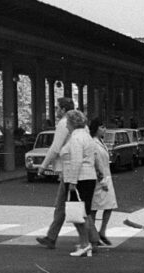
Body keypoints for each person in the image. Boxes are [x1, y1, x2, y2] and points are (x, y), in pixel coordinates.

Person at [36, 97, 75, 249]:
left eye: (58, 108)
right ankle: (51, 237)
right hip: (73, 170)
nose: (56, 111)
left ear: (64, 110)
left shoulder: (64, 124)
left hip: (68, 170)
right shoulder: (78, 124)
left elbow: (55, 147)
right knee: (62, 206)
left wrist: (43, 166)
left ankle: (92, 238)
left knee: (67, 206)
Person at [60, 110, 98, 257]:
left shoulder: (75, 138)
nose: (66, 126)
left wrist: (72, 182)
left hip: (79, 179)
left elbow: (76, 160)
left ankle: (85, 243)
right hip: (89, 177)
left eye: (67, 122)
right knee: (84, 212)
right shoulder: (86, 136)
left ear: (71, 123)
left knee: (78, 214)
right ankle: (88, 242)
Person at [88, 118, 117, 246]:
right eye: (102, 127)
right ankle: (93, 234)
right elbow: (95, 163)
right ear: (96, 128)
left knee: (109, 205)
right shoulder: (93, 143)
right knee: (94, 208)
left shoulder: (101, 142)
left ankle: (102, 231)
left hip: (107, 177)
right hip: (99, 180)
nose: (104, 129)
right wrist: (101, 180)